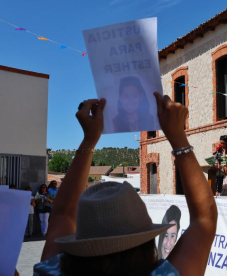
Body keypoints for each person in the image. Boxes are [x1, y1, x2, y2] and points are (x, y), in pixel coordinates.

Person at [34, 95, 217, 275]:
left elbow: (63, 214)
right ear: (145, 243)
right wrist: (178, 137)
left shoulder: (51, 271)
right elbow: (204, 219)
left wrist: (89, 140)